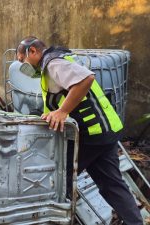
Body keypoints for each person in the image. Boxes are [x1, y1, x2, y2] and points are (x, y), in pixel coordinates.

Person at [16, 36, 143, 225]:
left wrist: (62, 111)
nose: (22, 65)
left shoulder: (53, 63)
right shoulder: (54, 64)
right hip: (104, 132)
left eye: (21, 60)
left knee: (57, 180)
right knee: (111, 185)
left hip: (89, 135)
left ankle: (54, 220)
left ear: (33, 51)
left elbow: (86, 79)